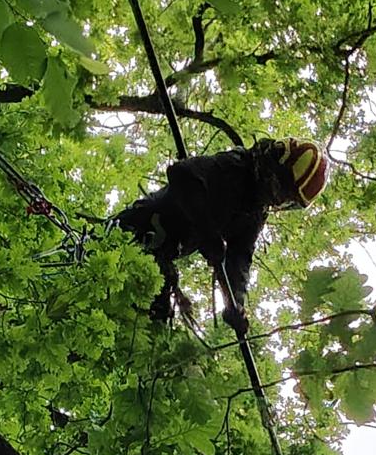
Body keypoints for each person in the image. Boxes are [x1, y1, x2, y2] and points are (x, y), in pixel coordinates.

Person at [114, 137, 328, 331]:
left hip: (158, 258)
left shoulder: (254, 213)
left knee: (149, 325)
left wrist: (235, 304)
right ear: (274, 164)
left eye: (286, 197)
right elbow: (182, 175)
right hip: (135, 227)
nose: (278, 198)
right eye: (281, 187)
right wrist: (207, 230)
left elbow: (239, 259)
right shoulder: (235, 166)